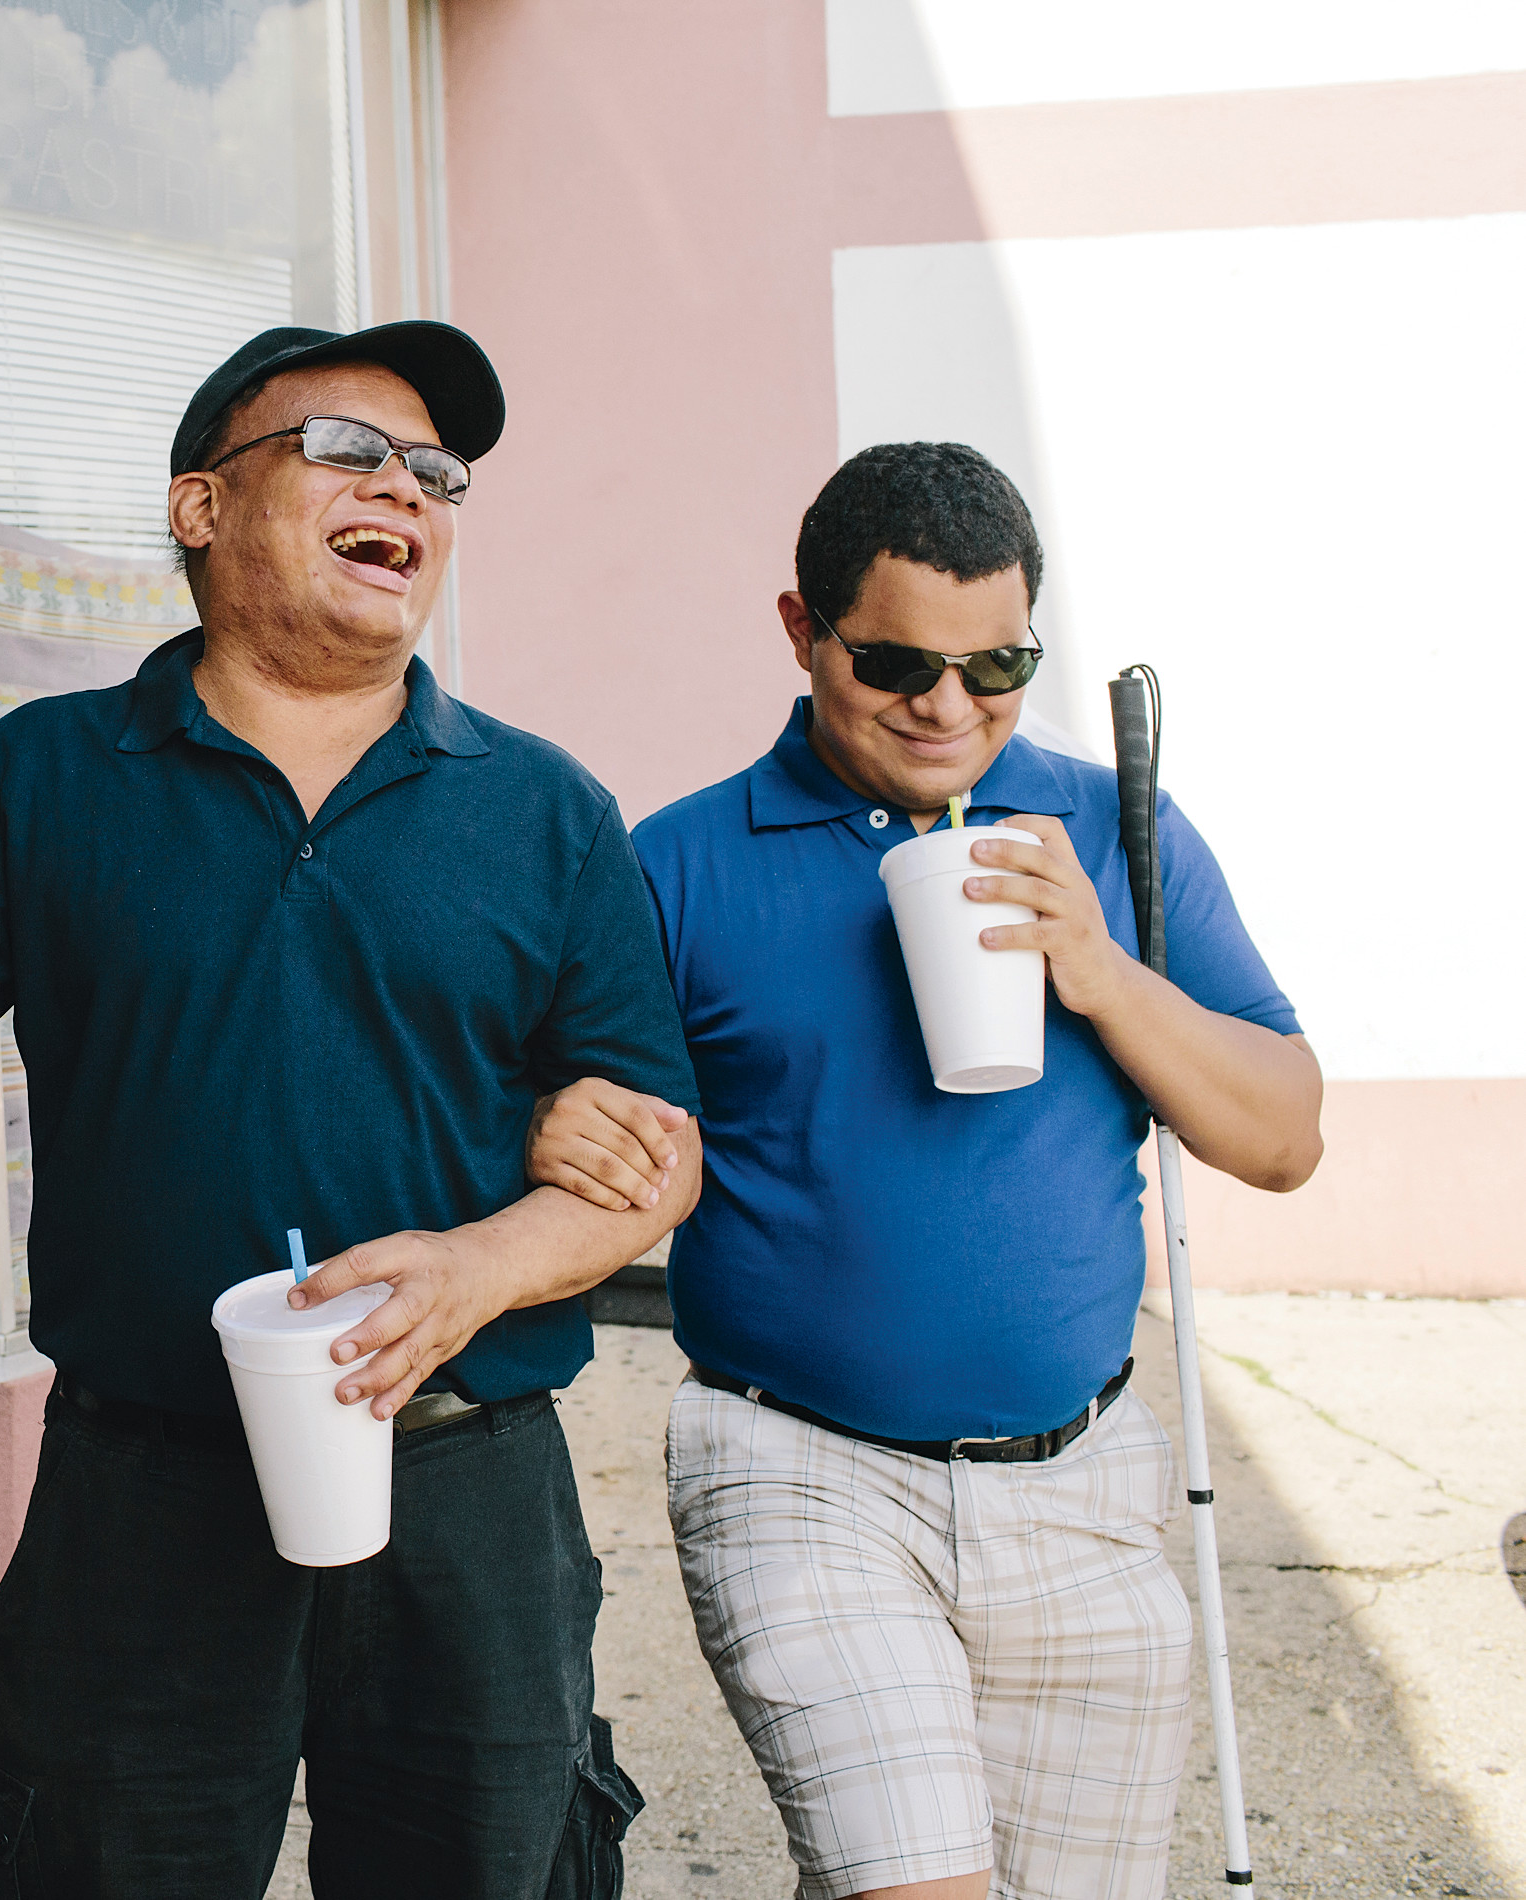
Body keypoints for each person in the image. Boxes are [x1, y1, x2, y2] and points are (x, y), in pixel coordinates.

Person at [0, 323, 702, 1900]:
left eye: (435, 472)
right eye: (348, 449)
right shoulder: (46, 776)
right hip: (145, 1489)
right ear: (199, 507)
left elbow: (646, 1154)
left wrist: (477, 1271)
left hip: (467, 1481)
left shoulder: (542, 807)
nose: (405, 487)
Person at [531, 442, 1321, 1900]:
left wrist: (1095, 966)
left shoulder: (1114, 833)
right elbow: (597, 1137)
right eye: (895, 661)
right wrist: (553, 1127)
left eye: (996, 664)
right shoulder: (679, 865)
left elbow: (1280, 1140)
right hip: (797, 1466)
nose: (948, 707)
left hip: (1082, 1475)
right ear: (800, 631)